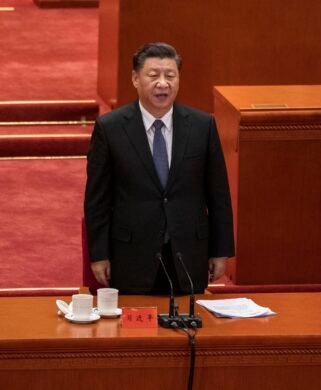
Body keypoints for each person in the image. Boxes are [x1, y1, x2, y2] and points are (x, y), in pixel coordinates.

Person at [84, 42, 234, 294]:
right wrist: (99, 254)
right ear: (135, 78)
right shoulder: (110, 129)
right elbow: (97, 199)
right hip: (131, 254)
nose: (162, 83)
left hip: (188, 251)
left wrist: (221, 251)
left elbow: (218, 194)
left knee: (188, 328)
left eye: (170, 75)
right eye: (153, 76)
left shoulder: (202, 125)